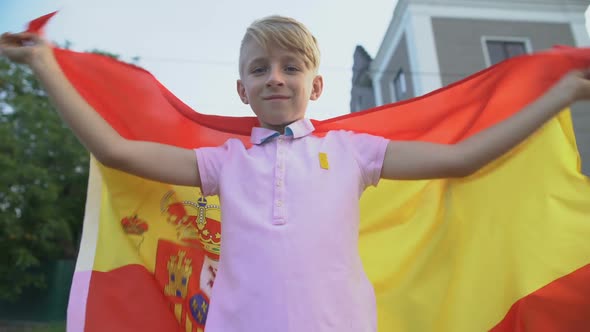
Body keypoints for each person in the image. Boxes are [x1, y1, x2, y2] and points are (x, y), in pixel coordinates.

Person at [1, 15, 589, 332]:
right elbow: (119, 153)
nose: (275, 77)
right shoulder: (224, 163)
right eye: (260, 68)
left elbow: (464, 158)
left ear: (316, 84)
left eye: (290, 66)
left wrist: (559, 96)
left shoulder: (355, 151)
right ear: (243, 88)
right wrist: (44, 65)